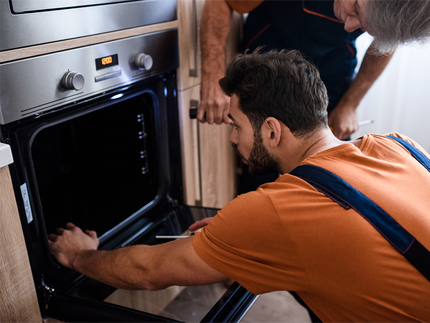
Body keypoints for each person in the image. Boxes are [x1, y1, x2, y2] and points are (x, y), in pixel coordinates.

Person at [49, 49, 430, 322]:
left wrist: (79, 257)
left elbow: (150, 271)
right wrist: (246, 238)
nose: (232, 138)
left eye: (235, 125)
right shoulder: (399, 145)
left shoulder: (279, 209)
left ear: (271, 130)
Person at [198, 0, 430, 140]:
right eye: (356, 10)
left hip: (332, 56)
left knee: (334, 142)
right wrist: (213, 77)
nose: (349, 26)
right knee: (261, 145)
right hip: (272, 43)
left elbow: (384, 45)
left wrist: (350, 105)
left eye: (364, 26)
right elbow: (224, 2)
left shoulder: (396, 12)